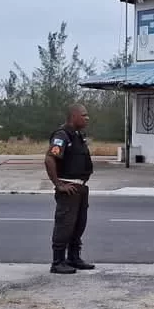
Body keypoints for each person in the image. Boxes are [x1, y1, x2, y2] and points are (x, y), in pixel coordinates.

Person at [45, 104, 95, 274]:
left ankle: (73, 257)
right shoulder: (62, 135)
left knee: (79, 225)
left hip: (80, 187)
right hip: (69, 188)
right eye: (84, 115)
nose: (87, 118)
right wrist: (58, 184)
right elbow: (50, 158)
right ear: (74, 116)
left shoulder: (77, 135)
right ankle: (58, 262)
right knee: (64, 225)